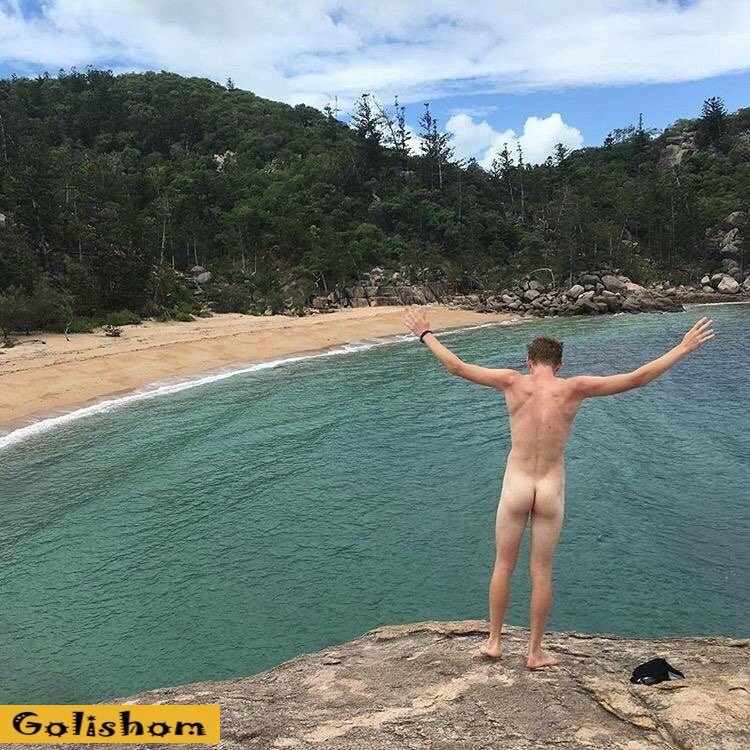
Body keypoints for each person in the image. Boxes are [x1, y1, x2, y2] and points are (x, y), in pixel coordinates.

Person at [404, 307, 715, 669]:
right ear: (560, 365)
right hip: (550, 489)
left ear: (528, 361)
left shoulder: (512, 382)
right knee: (541, 571)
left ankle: (494, 642)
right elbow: (638, 378)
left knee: (503, 565)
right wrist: (682, 347)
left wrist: (425, 334)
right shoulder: (574, 388)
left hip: (516, 485)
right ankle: (535, 652)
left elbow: (456, 366)